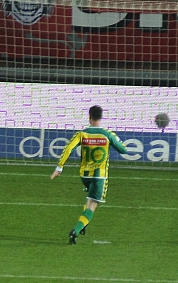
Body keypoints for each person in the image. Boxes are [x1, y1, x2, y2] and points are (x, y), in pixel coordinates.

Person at [51, 105, 128, 245]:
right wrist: (117, 142)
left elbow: (68, 148)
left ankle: (83, 226)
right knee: (92, 205)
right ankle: (76, 230)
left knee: (89, 200)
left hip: (85, 176)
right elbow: (123, 150)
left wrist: (59, 168)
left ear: (89, 116)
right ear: (101, 117)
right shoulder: (107, 134)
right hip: (99, 177)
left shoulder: (82, 134)